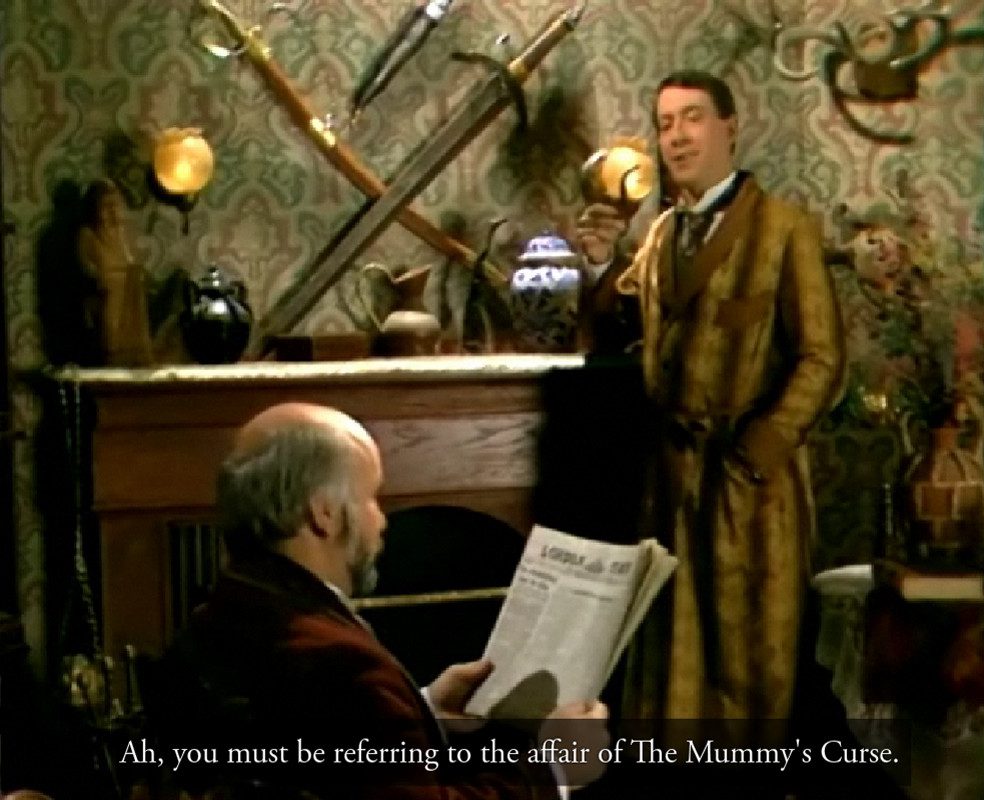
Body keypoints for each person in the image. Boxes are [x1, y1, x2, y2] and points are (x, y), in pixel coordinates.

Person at [153, 402, 607, 799]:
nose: (382, 520)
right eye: (371, 498)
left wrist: (424, 708)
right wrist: (553, 771)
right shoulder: (339, 666)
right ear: (324, 514)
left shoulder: (221, 614)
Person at [576, 71, 845, 727]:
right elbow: (624, 323)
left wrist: (757, 453)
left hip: (750, 489)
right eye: (666, 124)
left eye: (693, 117)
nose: (677, 136)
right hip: (670, 485)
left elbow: (822, 357)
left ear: (730, 127)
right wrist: (601, 262)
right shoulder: (663, 234)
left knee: (748, 665)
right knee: (671, 664)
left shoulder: (784, 230)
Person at [76, 179, 154, 366]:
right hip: (107, 288)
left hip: (126, 285)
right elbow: (86, 266)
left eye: (115, 205)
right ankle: (112, 350)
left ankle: (134, 350)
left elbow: (128, 260)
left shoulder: (119, 233)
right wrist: (99, 276)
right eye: (106, 206)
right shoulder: (88, 235)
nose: (112, 212)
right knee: (110, 319)